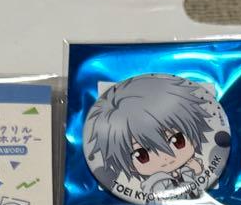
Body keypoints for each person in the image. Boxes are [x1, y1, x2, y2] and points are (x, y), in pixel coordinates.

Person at [85, 74, 216, 198]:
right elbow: (163, 197)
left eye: (177, 141)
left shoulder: (191, 168)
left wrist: (194, 172)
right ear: (130, 166)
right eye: (142, 155)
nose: (166, 157)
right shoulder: (154, 184)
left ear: (193, 136)